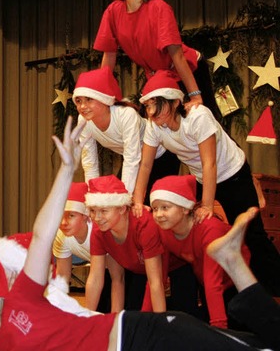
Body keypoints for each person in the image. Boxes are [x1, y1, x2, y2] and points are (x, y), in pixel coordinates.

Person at [0, 119, 280, 351]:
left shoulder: (23, 299)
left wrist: (66, 172)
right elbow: (98, 279)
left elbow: (42, 235)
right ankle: (237, 266)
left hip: (145, 336)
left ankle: (235, 264)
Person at [133, 70, 280, 296]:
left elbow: (209, 162)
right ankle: (221, 292)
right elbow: (145, 165)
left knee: (251, 234)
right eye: (148, 106)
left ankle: (272, 287)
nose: (151, 112)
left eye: (157, 105)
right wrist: (136, 200)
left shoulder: (198, 117)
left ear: (174, 101)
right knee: (195, 234)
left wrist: (207, 206)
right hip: (204, 178)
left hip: (232, 174)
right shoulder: (154, 127)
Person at [94, 0, 220, 119]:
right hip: (158, 76)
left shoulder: (159, 8)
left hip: (189, 69)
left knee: (206, 122)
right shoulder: (113, 12)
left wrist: (195, 95)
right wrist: (103, 95)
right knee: (157, 127)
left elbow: (177, 55)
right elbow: (108, 56)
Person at [150, 174, 249, 329]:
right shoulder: (164, 231)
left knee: (237, 330)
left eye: (165, 207)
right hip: (205, 280)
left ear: (184, 208)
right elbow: (156, 278)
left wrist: (219, 330)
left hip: (237, 281)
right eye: (155, 209)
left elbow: (213, 281)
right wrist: (146, 320)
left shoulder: (209, 229)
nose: (158, 215)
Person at [73, 66, 179, 196]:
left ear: (104, 100)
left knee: (150, 203)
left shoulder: (125, 115)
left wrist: (125, 198)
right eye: (78, 101)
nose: (83, 106)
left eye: (89, 99)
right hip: (135, 161)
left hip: (162, 154)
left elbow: (131, 158)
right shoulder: (83, 121)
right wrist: (91, 196)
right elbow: (90, 162)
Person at [85, 174, 167, 313]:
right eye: (93, 211)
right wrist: (86, 318)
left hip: (174, 266)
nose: (97, 218)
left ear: (122, 209)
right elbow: (95, 279)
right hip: (140, 272)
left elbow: (156, 282)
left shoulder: (144, 225)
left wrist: (160, 324)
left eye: (104, 211)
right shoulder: (99, 230)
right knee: (132, 316)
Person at [51, 181, 121, 313]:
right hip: (103, 272)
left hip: (126, 270)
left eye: (71, 215)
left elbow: (118, 278)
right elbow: (62, 276)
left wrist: (115, 319)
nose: (64, 223)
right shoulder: (61, 236)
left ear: (85, 216)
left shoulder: (100, 232)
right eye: (61, 216)